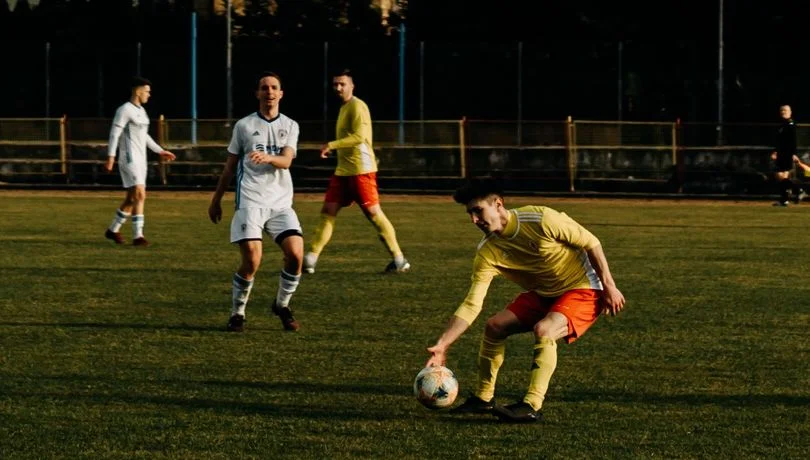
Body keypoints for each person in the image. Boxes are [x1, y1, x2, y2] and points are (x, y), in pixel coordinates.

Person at [424, 179, 626, 423]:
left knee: (545, 329)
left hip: (584, 288)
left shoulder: (541, 219)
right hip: (544, 292)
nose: (474, 220)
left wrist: (609, 286)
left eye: (478, 211)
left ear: (498, 204)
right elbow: (472, 303)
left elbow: (591, 242)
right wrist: (443, 344)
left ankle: (532, 405)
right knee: (494, 326)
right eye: (470, 214)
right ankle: (483, 399)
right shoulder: (488, 252)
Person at [208, 71, 304, 333]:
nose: (269, 92)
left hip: (281, 202)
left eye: (274, 87)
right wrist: (216, 200)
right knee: (252, 260)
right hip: (250, 200)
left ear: (281, 94)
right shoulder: (244, 126)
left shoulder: (291, 126)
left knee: (296, 255)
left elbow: (286, 161)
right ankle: (237, 313)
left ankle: (282, 305)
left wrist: (269, 158)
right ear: (257, 94)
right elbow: (229, 168)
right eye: (264, 88)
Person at [302, 69, 410, 274]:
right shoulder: (344, 108)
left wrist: (331, 145)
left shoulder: (357, 106)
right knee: (328, 211)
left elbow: (359, 137)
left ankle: (398, 259)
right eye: (335, 84)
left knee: (374, 214)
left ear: (352, 86)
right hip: (343, 171)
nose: (338, 88)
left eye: (342, 84)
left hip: (361, 170)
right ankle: (310, 259)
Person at [104, 76, 176, 246]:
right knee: (140, 194)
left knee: (132, 198)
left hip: (141, 160)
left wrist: (160, 150)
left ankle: (112, 230)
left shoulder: (141, 112)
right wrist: (110, 157)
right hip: (129, 159)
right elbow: (114, 134)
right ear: (138, 91)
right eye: (147, 91)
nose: (149, 95)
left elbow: (145, 136)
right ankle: (138, 236)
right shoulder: (124, 110)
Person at [770, 104, 806, 206]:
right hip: (782, 153)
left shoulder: (790, 124)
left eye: (785, 110)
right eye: (781, 110)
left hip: (786, 153)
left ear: (790, 112)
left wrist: (794, 153)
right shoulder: (782, 124)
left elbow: (792, 140)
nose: (783, 112)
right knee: (783, 177)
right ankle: (784, 200)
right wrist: (775, 151)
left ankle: (799, 190)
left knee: (779, 175)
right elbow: (779, 141)